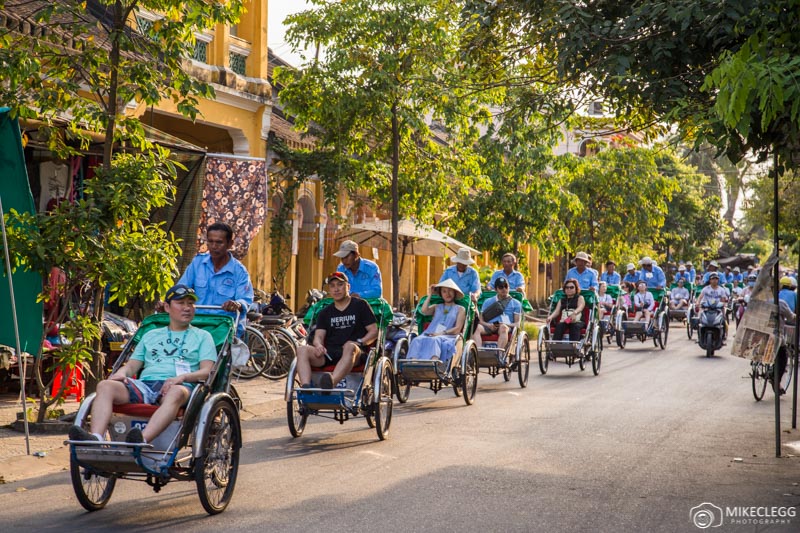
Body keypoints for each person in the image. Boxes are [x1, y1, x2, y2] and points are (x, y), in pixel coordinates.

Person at [69, 284, 217, 444]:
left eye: (191, 303)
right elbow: (132, 366)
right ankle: (96, 438)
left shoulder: (203, 336)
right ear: (167, 307)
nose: (187, 308)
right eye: (181, 303)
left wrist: (181, 378)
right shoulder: (151, 335)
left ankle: (141, 439)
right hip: (145, 385)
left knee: (175, 393)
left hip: (181, 386)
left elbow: (207, 371)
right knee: (105, 386)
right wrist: (121, 373)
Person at [296, 272, 378, 390]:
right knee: (302, 350)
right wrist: (318, 345)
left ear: (348, 287)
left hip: (354, 353)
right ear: (329, 290)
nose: (336, 289)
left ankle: (331, 383)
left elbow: (374, 332)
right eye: (332, 286)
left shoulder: (360, 306)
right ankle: (306, 388)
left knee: (349, 346)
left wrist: (360, 342)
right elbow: (318, 336)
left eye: (340, 285)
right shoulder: (325, 312)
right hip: (329, 354)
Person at [175, 222, 253, 337]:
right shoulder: (197, 263)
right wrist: (168, 302)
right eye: (210, 241)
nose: (213, 246)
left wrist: (237, 304)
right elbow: (181, 290)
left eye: (219, 242)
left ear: (230, 244)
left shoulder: (240, 272)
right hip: (196, 325)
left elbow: (245, 300)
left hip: (223, 329)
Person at [406, 279, 466, 364]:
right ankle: (414, 364)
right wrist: (430, 294)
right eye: (444, 291)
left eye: (450, 291)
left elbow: (457, 328)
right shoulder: (437, 307)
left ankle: (433, 365)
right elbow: (424, 311)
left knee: (435, 340)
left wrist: (441, 333)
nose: (447, 294)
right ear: (441, 294)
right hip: (431, 333)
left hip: (449, 336)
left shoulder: (460, 309)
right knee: (417, 340)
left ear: (455, 293)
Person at [473, 277, 522, 351]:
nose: (504, 289)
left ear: (508, 287)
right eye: (501, 287)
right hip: (489, 325)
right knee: (476, 328)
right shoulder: (488, 301)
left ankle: (499, 354)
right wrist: (489, 325)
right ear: (496, 289)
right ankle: (478, 352)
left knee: (503, 328)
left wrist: (504, 324)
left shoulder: (516, 303)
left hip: (505, 326)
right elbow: (480, 320)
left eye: (506, 286)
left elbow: (517, 324)